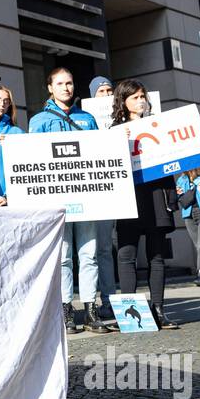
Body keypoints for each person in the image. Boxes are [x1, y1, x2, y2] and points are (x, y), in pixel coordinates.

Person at [29, 66, 110, 332]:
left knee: (89, 255)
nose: (67, 88)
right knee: (63, 257)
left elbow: (100, 153)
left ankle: (90, 309)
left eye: (70, 83)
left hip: (86, 198)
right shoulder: (39, 121)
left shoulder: (87, 118)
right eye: (61, 83)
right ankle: (65, 310)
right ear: (50, 88)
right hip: (58, 201)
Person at [109, 78, 181, 330]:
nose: (141, 101)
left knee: (157, 256)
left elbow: (175, 158)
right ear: (123, 102)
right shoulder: (114, 130)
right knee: (126, 255)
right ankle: (130, 315)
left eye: (143, 96)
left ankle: (159, 310)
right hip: (129, 198)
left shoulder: (159, 125)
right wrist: (119, 141)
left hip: (156, 196)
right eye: (135, 97)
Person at [88, 75, 117, 320]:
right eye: (101, 92)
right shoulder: (85, 119)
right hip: (92, 192)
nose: (106, 95)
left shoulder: (119, 118)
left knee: (107, 249)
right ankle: (90, 301)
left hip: (113, 190)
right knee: (91, 252)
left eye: (109, 90)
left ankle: (109, 299)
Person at [174, 167, 200, 286]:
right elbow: (181, 198)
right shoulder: (182, 180)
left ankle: (199, 274)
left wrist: (198, 182)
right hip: (189, 215)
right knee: (198, 247)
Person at [0, 84, 24, 206]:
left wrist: (8, 196)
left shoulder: (17, 133)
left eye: (6, 101)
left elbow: (23, 171)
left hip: (5, 202)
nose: (2, 104)